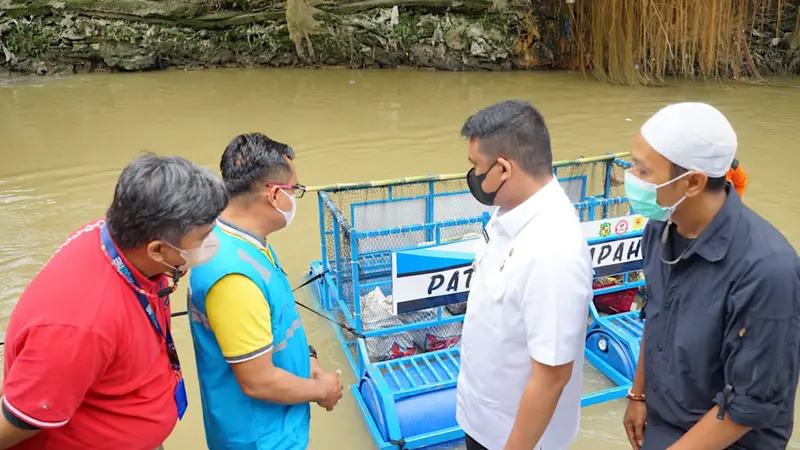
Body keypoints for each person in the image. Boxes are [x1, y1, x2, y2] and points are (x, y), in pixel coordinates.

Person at [0, 154, 228, 450]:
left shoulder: (114, 240)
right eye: (203, 236)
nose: (211, 243)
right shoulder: (78, 326)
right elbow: (21, 419)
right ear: (158, 250)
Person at [621, 102, 800, 450]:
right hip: (664, 419)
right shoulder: (661, 229)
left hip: (729, 438)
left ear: (692, 182)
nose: (630, 177)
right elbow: (656, 311)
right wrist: (638, 393)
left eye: (642, 171)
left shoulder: (767, 271)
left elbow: (750, 405)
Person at [188, 133, 343, 450]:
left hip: (282, 428)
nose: (295, 198)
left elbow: (273, 324)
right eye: (295, 190)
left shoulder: (245, 241)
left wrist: (309, 362)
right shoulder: (232, 275)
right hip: (260, 439)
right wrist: (323, 390)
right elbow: (258, 381)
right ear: (274, 195)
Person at [455, 100, 594, 450]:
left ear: (503, 168)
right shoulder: (511, 210)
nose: (473, 177)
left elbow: (551, 376)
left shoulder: (552, 250)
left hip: (514, 438)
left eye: (476, 167)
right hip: (482, 418)